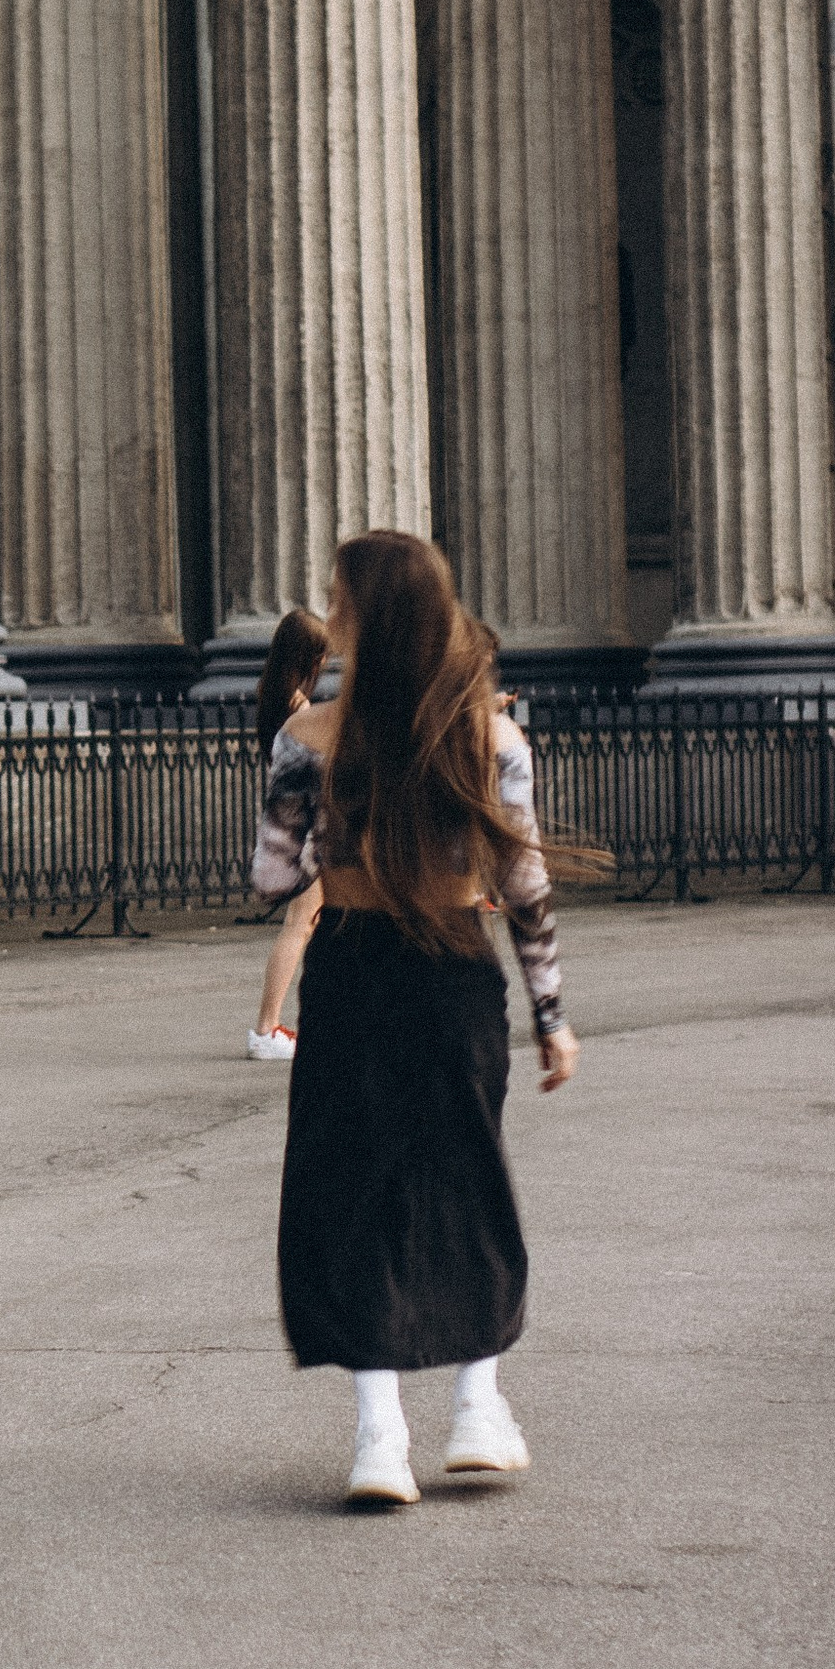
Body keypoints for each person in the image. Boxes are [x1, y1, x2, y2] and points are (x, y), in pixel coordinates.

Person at [251, 531, 584, 1508]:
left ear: (357, 612)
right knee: (464, 1177)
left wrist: (328, 831)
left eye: (335, 594)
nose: (327, 605)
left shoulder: (306, 737)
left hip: (352, 968)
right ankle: (478, 1410)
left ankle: (378, 1438)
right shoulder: (491, 736)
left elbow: (273, 877)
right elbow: (527, 891)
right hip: (453, 972)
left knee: (351, 1189)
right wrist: (552, 1016)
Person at [248, 607, 331, 1061]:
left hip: (295, 823)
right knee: (300, 926)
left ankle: (280, 1024)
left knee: (308, 926)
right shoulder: (300, 707)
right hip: (308, 830)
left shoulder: (271, 696)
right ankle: (267, 1027)